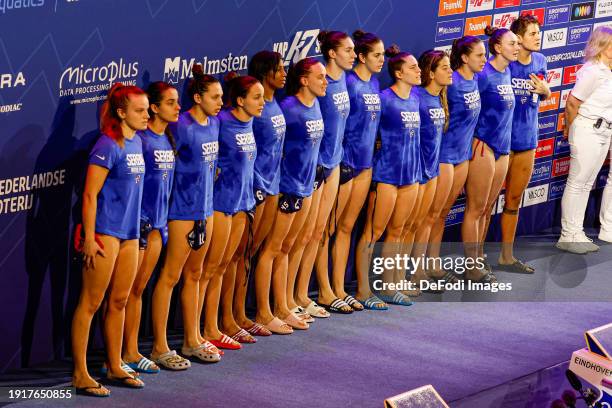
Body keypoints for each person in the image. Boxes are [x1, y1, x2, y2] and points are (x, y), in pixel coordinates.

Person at [71, 83, 148, 396]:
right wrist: (89, 237)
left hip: (129, 234)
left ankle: (115, 364)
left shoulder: (138, 141)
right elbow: (89, 195)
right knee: (90, 303)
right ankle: (80, 373)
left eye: (146, 109)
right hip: (105, 233)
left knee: (119, 301)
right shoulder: (107, 144)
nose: (146, 115)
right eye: (139, 110)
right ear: (121, 112)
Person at [151, 64, 222, 369]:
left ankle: (192, 339)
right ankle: (159, 346)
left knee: (195, 274)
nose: (221, 102)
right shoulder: (180, 126)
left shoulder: (215, 124)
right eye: (216, 97)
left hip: (206, 210)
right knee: (170, 277)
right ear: (197, 97)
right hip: (181, 211)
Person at [253, 57, 326, 333]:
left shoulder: (316, 104)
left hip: (307, 185)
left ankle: (283, 306)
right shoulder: (289, 109)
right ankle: (263, 311)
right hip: (286, 186)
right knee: (272, 248)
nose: (325, 82)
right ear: (304, 80)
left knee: (287, 247)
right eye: (320, 77)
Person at [291, 30, 357, 316]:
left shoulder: (343, 81)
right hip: (315, 169)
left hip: (334, 164)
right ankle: (291, 298)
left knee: (318, 232)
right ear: (332, 53)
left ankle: (304, 295)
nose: (354, 56)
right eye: (348, 50)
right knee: (304, 234)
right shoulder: (322, 86)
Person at [354, 45, 421, 307]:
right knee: (373, 232)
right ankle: (363, 290)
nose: (419, 71)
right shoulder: (384, 98)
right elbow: (367, 131)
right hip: (386, 175)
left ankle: (389, 285)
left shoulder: (415, 98)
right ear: (399, 73)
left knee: (398, 231)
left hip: (410, 175)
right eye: (413, 67)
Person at [122, 81, 179, 375]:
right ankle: (122, 352)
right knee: (127, 291)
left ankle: (132, 351)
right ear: (155, 108)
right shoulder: (141, 141)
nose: (177, 108)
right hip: (139, 227)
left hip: (159, 226)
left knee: (139, 289)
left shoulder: (166, 138)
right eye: (171, 103)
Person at [203, 74, 264, 348]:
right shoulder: (221, 124)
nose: (262, 103)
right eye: (256, 98)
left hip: (243, 204)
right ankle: (206, 330)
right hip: (220, 204)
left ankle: (225, 321)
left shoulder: (249, 121)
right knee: (211, 270)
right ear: (239, 101)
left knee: (228, 265)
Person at [230, 51, 286, 337]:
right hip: (257, 189)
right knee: (239, 254)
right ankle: (234, 315)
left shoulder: (272, 105)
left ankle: (242, 313)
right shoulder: (254, 112)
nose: (284, 73)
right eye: (279, 69)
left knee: (250, 253)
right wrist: (258, 187)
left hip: (273, 186)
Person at [331, 29, 385, 311]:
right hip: (347, 164)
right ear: (362, 56)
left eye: (383, 55)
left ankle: (341, 288)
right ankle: (332, 290)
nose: (382, 60)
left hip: (366, 164)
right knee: (333, 229)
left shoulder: (374, 84)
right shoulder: (348, 84)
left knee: (349, 227)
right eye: (376, 55)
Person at [425, 36, 485, 284]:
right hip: (444, 155)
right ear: (464, 57)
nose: (485, 59)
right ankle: (423, 266)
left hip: (463, 156)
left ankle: (434, 262)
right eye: (480, 55)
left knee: (444, 212)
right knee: (433, 213)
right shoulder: (454, 82)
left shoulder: (475, 81)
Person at [463, 26, 520, 281]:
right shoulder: (484, 75)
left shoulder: (507, 71)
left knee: (487, 208)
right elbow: (470, 109)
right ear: (497, 47)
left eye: (518, 43)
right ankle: (470, 265)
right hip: (484, 146)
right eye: (512, 43)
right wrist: (475, 138)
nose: (517, 47)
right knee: (475, 208)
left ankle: (479, 258)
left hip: (503, 148)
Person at [496, 15, 551, 273]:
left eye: (538, 32)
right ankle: (473, 261)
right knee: (484, 205)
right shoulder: (505, 63)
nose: (537, 37)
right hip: (501, 142)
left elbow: (545, 92)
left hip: (527, 140)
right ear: (517, 38)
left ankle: (506, 256)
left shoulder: (540, 61)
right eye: (532, 33)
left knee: (514, 199)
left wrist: (546, 92)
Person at [557, 26, 612, 253]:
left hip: (603, 131)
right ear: (603, 45)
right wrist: (571, 130)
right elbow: (572, 103)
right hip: (587, 129)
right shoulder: (592, 70)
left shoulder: (607, 71)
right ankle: (567, 235)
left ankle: (576, 232)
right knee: (577, 183)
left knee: (586, 184)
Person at [407, 50, 453, 290]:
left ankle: (419, 270)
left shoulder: (440, 97)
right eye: (444, 68)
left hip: (432, 169)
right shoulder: (417, 97)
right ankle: (408, 275)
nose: (450, 71)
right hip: (416, 171)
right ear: (431, 73)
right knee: (413, 223)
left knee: (429, 219)